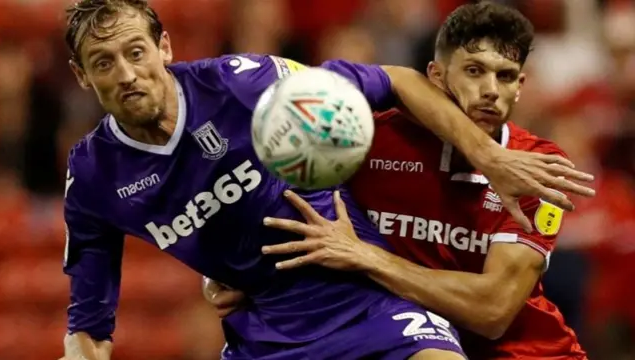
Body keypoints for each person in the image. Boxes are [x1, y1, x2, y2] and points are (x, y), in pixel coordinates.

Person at [61, 1, 594, 359]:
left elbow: (495, 311)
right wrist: (227, 262)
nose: (127, 74)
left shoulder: (247, 85)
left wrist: (488, 158)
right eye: (103, 63)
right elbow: (88, 323)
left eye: (136, 53)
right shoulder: (91, 179)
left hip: (376, 306)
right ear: (82, 75)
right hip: (267, 329)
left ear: (166, 48)